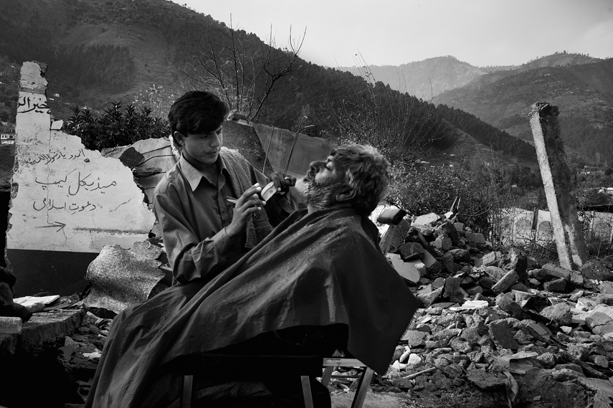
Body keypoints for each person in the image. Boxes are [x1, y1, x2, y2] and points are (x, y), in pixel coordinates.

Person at [86, 144, 419, 408]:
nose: (313, 167)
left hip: (258, 329)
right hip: (238, 303)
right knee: (133, 320)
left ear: (345, 194)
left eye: (328, 167)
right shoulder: (323, 222)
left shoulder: (342, 239)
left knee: (140, 327)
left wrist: (213, 308)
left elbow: (290, 299)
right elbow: (277, 273)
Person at [154, 90, 296, 284]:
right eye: (204, 136)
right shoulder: (169, 192)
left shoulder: (235, 160)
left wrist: (278, 191)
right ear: (180, 139)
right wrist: (232, 231)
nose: (216, 143)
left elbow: (267, 207)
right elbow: (184, 267)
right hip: (209, 290)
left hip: (257, 274)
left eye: (219, 132)